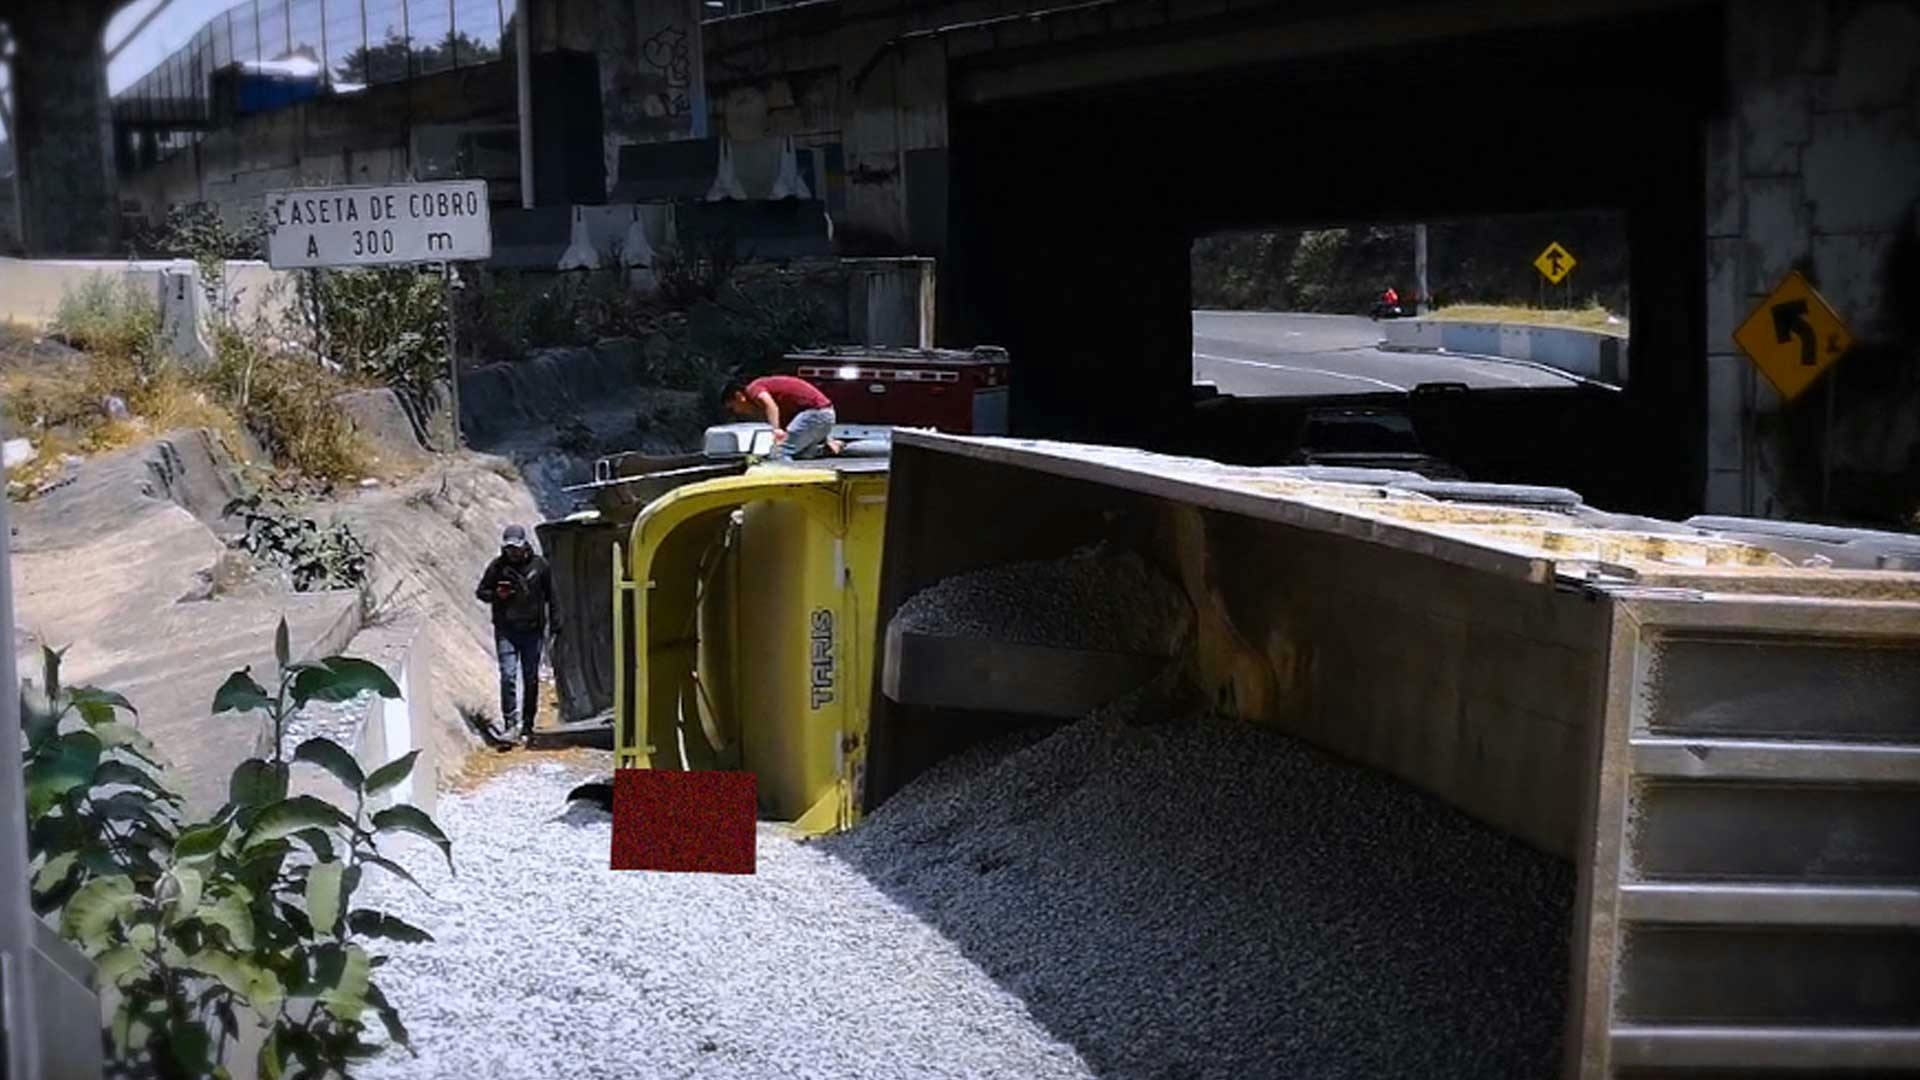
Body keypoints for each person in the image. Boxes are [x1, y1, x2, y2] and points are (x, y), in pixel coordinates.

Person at [475, 524, 553, 745]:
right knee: (508, 675)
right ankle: (510, 724)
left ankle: (528, 724)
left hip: (532, 631)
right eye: (509, 548)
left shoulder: (540, 566)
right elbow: (481, 592)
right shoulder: (498, 567)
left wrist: (556, 624)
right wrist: (498, 595)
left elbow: (552, 596)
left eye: (516, 548)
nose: (513, 553)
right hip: (506, 630)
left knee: (530, 678)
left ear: (524, 545)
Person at [724, 373, 842, 461]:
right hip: (824, 414)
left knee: (779, 453)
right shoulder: (782, 407)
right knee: (798, 452)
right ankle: (827, 449)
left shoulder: (753, 389)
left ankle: (787, 485)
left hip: (815, 413)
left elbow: (771, 406)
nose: (737, 412)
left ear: (739, 396)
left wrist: (775, 431)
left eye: (732, 408)